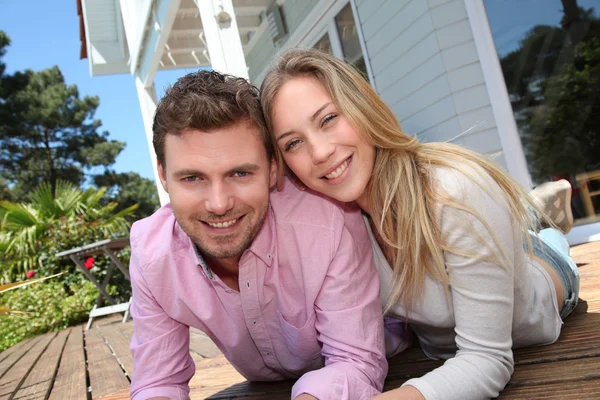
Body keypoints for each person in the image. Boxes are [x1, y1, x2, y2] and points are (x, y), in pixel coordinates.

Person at [260, 48, 580, 400]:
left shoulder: (456, 192)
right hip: (438, 338)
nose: (319, 152)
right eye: (293, 143)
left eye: (328, 119)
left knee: (544, 243)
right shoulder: (334, 221)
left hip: (542, 286)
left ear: (362, 107)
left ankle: (540, 216)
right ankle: (529, 208)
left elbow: (487, 360)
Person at [128, 70, 389, 400]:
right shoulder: (152, 255)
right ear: (164, 176)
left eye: (240, 173)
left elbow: (356, 361)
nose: (219, 204)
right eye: (193, 178)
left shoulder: (328, 221)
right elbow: (157, 382)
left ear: (273, 170)